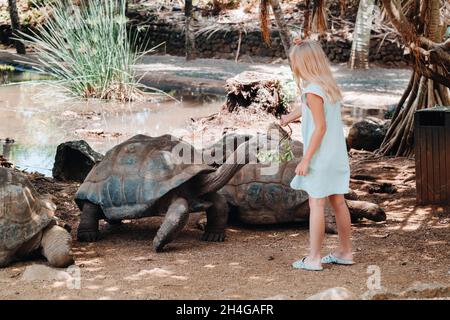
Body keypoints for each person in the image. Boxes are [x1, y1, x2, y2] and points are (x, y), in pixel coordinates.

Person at [280, 38, 353, 271]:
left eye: (295, 62)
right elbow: (308, 108)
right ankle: (345, 252)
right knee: (339, 202)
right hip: (336, 156)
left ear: (304, 63)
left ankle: (313, 258)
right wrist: (288, 118)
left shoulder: (311, 90)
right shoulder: (326, 86)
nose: (294, 67)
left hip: (320, 157)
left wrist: (306, 158)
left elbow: (320, 127)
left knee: (317, 204)